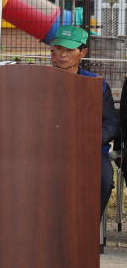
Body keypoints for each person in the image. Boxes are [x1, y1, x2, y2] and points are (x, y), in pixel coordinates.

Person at [49, 25, 120, 215]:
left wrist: (87, 142)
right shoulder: (38, 81)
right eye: (59, 48)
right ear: (52, 49)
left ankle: (85, 235)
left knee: (103, 181)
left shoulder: (97, 84)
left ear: (83, 52)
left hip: (89, 150)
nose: (63, 55)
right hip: (45, 151)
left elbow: (112, 123)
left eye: (70, 50)